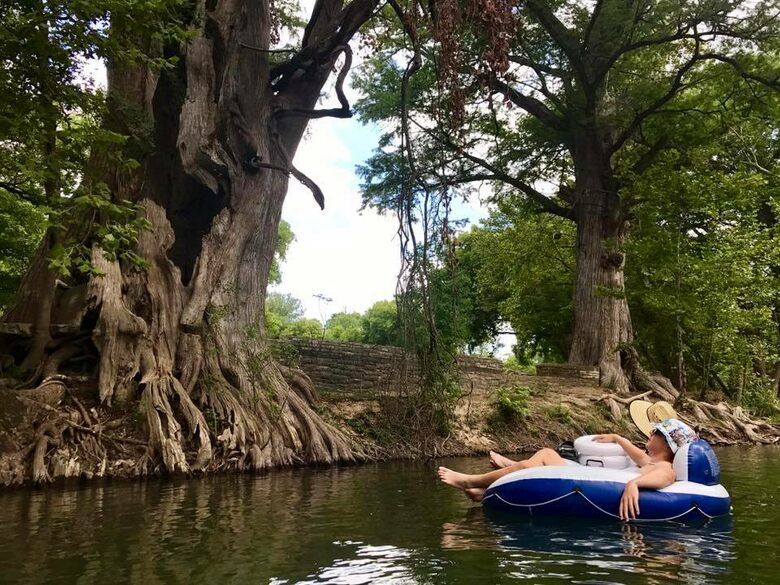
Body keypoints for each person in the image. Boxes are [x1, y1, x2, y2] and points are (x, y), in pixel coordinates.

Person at [437, 417, 697, 520]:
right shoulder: (650, 460)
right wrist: (617, 438)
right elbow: (635, 452)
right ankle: (491, 487)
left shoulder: (664, 467)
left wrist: (634, 484)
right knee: (548, 453)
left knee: (531, 464)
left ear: (665, 442)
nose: (648, 433)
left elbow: (666, 476)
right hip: (597, 476)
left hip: (601, 484)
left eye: (655, 432)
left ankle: (470, 480)